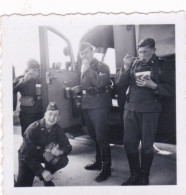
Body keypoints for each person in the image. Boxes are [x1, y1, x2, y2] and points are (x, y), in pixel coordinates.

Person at [115, 38, 175, 185]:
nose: (142, 56)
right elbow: (119, 83)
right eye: (140, 52)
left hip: (150, 110)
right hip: (130, 109)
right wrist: (125, 66)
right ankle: (134, 174)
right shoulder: (134, 63)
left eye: (146, 52)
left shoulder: (163, 65)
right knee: (129, 143)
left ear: (154, 50)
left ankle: (144, 176)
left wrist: (154, 86)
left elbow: (173, 89)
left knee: (147, 146)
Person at [72, 42, 112, 182]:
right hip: (87, 104)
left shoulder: (102, 66)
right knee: (93, 135)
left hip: (99, 104)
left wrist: (87, 69)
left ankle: (106, 168)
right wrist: (80, 87)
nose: (84, 55)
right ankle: (98, 162)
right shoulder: (83, 67)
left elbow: (100, 83)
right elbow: (89, 84)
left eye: (87, 52)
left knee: (102, 136)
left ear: (93, 52)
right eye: (82, 53)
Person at [15, 102, 72, 187]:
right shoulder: (33, 129)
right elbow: (26, 155)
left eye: (56, 115)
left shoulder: (58, 129)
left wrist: (60, 151)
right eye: (50, 114)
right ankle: (43, 175)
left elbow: (68, 146)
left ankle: (45, 177)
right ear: (45, 115)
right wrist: (41, 171)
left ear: (59, 118)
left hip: (44, 154)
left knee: (62, 160)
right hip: (28, 157)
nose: (52, 117)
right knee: (23, 187)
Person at [13, 59, 44, 136]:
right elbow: (12, 90)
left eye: (37, 70)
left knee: (39, 135)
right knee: (27, 135)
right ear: (28, 69)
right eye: (33, 70)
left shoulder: (41, 78)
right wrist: (24, 80)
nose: (36, 72)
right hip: (27, 113)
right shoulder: (21, 78)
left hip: (40, 112)